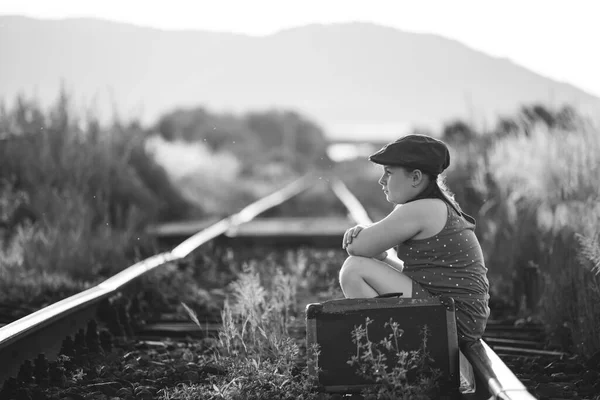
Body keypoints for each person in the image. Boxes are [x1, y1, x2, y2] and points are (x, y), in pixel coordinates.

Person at [340, 134, 490, 346]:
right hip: (458, 315)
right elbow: (412, 270)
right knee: (371, 264)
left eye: (389, 173)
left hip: (453, 319)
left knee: (353, 269)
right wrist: (378, 252)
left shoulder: (422, 209)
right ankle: (395, 345)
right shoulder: (436, 205)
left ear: (416, 177)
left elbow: (357, 247)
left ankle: (391, 350)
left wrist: (364, 235)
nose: (381, 180)